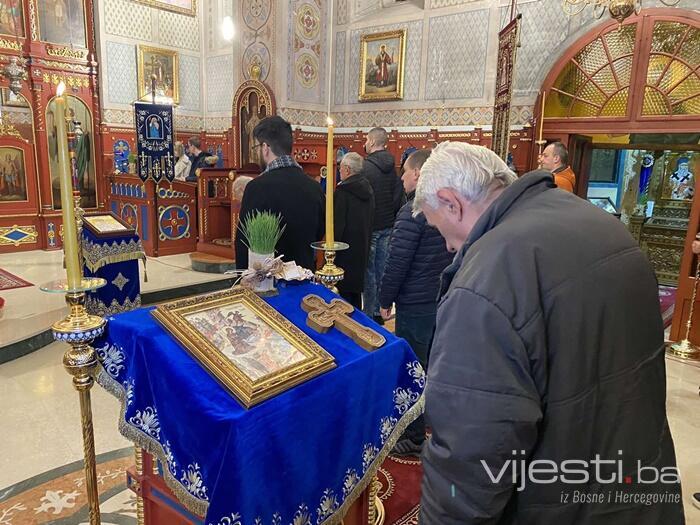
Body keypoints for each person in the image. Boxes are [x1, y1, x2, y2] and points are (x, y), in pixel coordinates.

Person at [414, 141, 683, 524]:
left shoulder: (486, 280)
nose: (449, 246)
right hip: (637, 483)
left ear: (451, 202)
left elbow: (472, 452)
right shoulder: (597, 221)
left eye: (443, 230)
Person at [378, 148, 452, 456]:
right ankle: (431, 420)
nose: (402, 178)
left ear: (418, 174)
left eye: (405, 172)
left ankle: (413, 434)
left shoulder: (414, 211)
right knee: (432, 363)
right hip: (439, 299)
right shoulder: (445, 207)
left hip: (415, 302)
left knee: (412, 368)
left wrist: (385, 300)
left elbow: (397, 262)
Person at [234, 116, 324, 271]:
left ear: (265, 148)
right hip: (303, 277)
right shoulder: (314, 187)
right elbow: (319, 233)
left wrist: (243, 283)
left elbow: (244, 242)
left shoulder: (257, 188)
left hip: (268, 282)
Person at [362, 127, 401, 324]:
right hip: (388, 224)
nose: (365, 144)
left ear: (372, 141)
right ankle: (380, 310)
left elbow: (364, 199)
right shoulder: (393, 167)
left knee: (369, 272)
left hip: (371, 226)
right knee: (382, 269)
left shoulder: (366, 167)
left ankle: (369, 315)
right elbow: (397, 197)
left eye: (367, 140)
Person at [334, 152, 374, 309]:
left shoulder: (343, 192)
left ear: (347, 169)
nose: (339, 171)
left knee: (342, 298)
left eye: (340, 168)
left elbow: (338, 226)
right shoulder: (368, 189)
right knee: (355, 298)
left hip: (344, 252)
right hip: (362, 247)